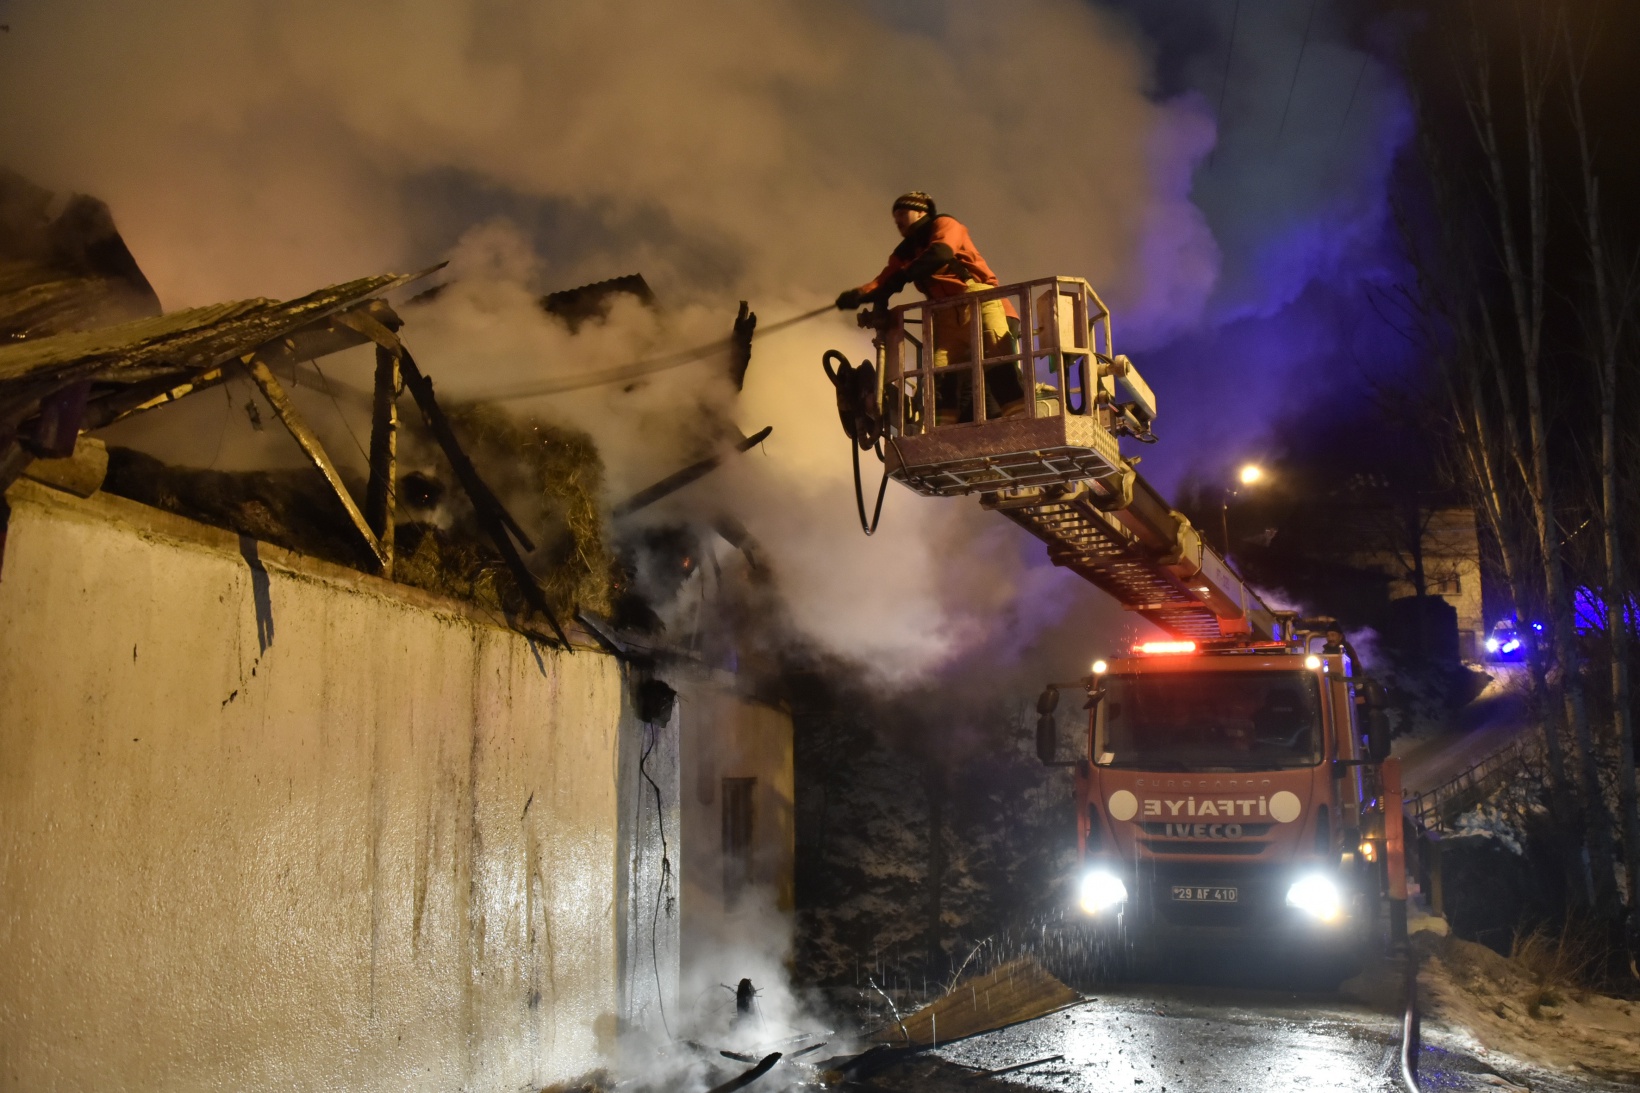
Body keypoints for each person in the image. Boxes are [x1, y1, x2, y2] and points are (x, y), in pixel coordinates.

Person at [836, 192, 1021, 423]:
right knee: (941, 374)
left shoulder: (945, 225)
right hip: (944, 312)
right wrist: (858, 295)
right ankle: (945, 431)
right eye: (895, 216)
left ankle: (1016, 421)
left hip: (979, 301)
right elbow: (884, 281)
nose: (898, 220)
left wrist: (903, 276)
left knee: (995, 364)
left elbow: (940, 253)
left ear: (921, 212)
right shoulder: (905, 251)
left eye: (903, 213)